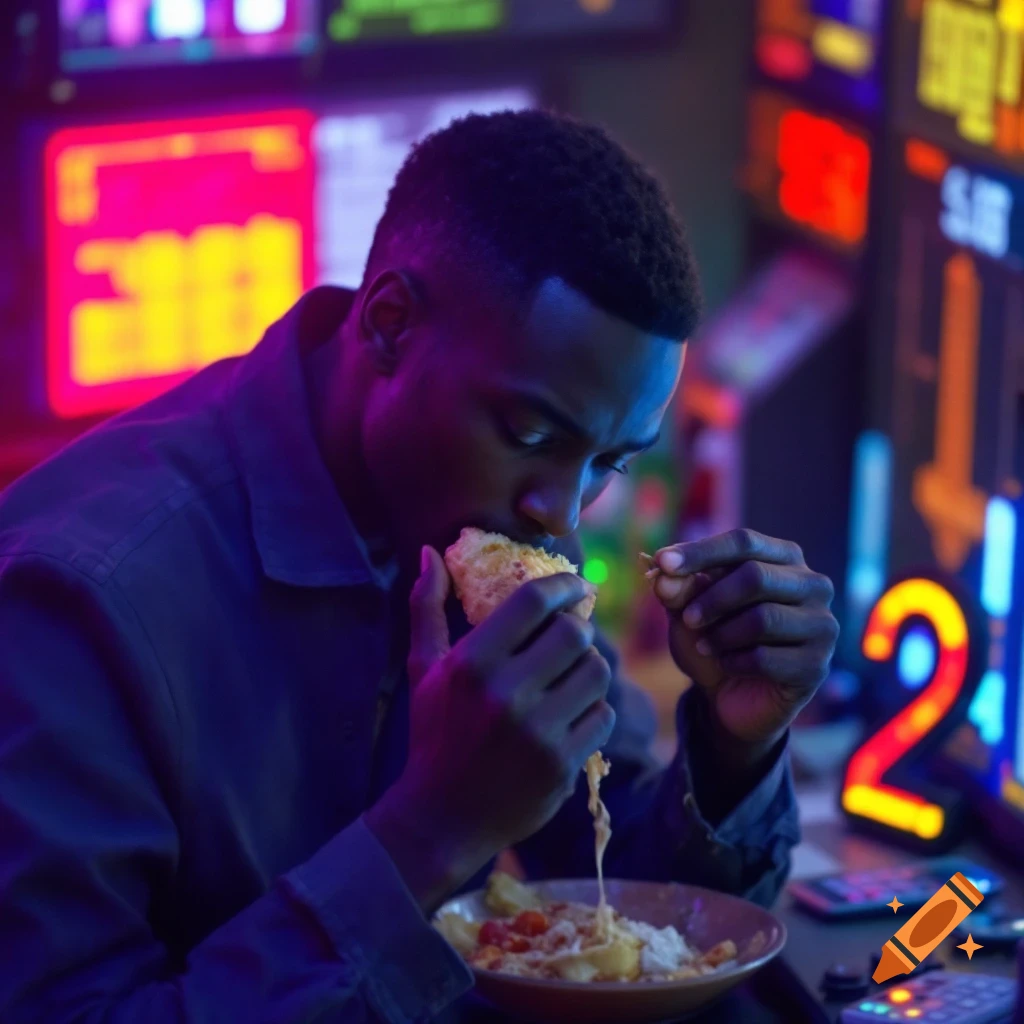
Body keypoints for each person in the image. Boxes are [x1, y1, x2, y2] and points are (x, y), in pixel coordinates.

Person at [0, 109, 838, 1023]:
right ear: (390, 325)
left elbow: (637, 921)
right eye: (530, 433)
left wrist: (732, 740)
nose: (561, 514)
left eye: (609, 463)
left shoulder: (497, 514)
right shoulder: (76, 603)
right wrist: (433, 830)